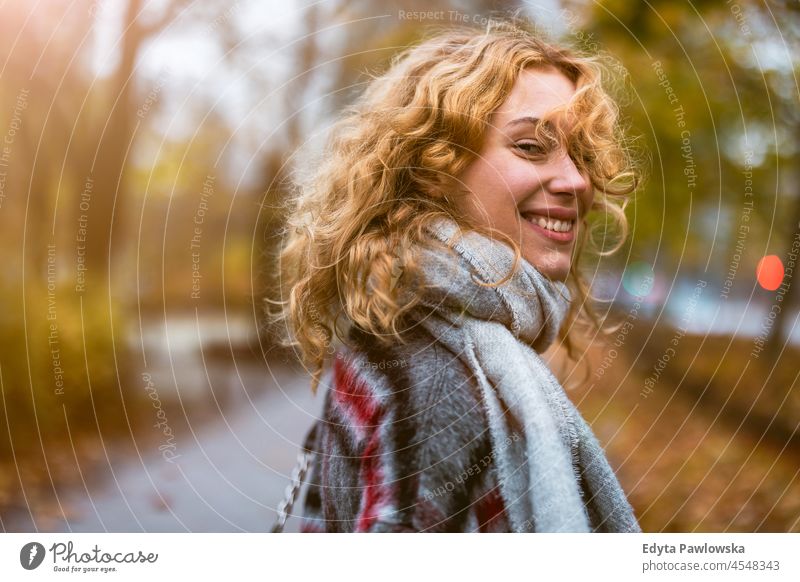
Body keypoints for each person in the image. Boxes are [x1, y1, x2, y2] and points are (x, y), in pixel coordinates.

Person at [271, 19, 643, 533]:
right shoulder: (436, 378)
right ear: (434, 169)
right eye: (532, 147)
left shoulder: (403, 327)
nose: (577, 180)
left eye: (581, 155)